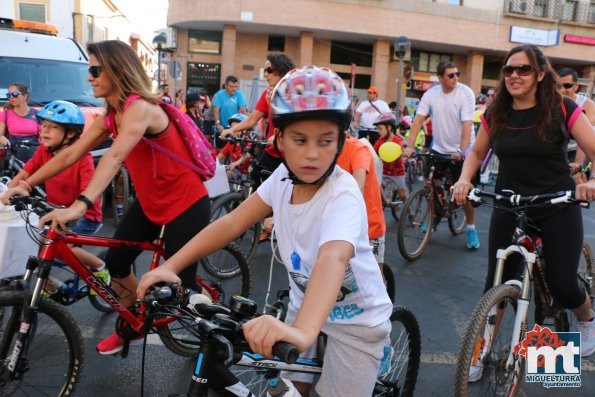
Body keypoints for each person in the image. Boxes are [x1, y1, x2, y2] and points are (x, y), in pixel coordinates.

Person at [137, 66, 393, 397]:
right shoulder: (282, 178)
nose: (312, 153)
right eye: (300, 140)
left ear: (341, 141)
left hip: (356, 321)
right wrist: (171, 265)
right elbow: (232, 223)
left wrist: (302, 332)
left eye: (326, 140)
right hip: (306, 307)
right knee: (285, 390)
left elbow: (334, 256)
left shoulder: (342, 194)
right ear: (280, 140)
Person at [0, 40, 211, 355]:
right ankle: (133, 326)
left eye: (96, 70)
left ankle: (212, 349)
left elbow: (113, 158)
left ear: (116, 70)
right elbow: (71, 153)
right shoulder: (112, 113)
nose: (90, 77)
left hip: (186, 203)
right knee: (117, 262)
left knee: (182, 290)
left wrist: (79, 206)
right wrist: (26, 184)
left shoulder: (140, 107)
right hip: (152, 204)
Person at [452, 45, 595, 380]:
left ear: (540, 74)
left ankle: (587, 322)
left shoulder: (562, 108)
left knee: (562, 283)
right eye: (508, 70)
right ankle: (482, 349)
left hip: (557, 203)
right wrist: (463, 179)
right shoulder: (497, 110)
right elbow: (476, 152)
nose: (514, 76)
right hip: (509, 202)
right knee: (496, 283)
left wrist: (591, 182)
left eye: (523, 69)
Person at [6, 100, 110, 295]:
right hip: (55, 211)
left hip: (84, 214)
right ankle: (51, 288)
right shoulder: (43, 151)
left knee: (64, 249)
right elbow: (27, 172)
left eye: (53, 127)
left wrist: (72, 211)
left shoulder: (82, 157)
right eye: (43, 125)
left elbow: (88, 190)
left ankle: (100, 268)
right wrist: (8, 192)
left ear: (70, 133)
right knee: (35, 245)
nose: (44, 131)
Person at [404, 60, 479, 249]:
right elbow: (418, 120)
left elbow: (467, 124)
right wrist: (409, 146)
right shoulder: (431, 94)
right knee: (430, 183)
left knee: (465, 191)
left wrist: (461, 151)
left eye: (457, 74)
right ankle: (435, 215)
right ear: (440, 78)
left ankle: (470, 228)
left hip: (462, 148)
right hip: (439, 147)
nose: (456, 78)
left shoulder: (465, 93)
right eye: (451, 75)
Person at [220, 54, 296, 183]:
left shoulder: (294, 94)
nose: (266, 74)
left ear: (281, 70)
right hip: (272, 150)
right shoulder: (267, 95)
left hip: (291, 154)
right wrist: (231, 130)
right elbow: (251, 120)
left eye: (269, 70)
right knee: (256, 178)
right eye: (265, 70)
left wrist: (282, 135)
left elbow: (297, 123)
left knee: (285, 190)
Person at [336, 129, 387, 277]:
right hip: (340, 226)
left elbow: (358, 187)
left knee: (375, 279)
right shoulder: (323, 152)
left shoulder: (358, 148)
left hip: (369, 226)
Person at [557, 67, 595, 174]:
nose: (562, 90)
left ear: (576, 86)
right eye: (558, 86)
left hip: (578, 150)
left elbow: (584, 138)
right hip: (558, 149)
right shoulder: (552, 102)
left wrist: (578, 163)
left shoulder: (587, 104)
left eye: (567, 86)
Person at [373, 113, 407, 207]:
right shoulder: (380, 141)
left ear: (389, 127)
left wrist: (404, 152)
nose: (378, 131)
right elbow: (373, 151)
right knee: (378, 193)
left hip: (397, 172)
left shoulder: (397, 141)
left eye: (380, 128)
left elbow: (401, 150)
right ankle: (380, 215)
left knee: (402, 195)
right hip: (384, 172)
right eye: (378, 129)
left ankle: (410, 214)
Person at [0, 82, 40, 162]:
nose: (11, 97)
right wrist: (2, 138)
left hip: (35, 156)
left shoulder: (37, 114)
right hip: (14, 157)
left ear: (25, 96)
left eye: (14, 94)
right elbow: (0, 135)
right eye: (8, 95)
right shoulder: (5, 114)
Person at [217, 113, 252, 187]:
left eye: (237, 128)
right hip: (235, 171)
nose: (233, 131)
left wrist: (236, 163)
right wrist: (212, 163)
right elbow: (221, 154)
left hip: (248, 174)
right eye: (232, 128)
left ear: (245, 130)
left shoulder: (249, 142)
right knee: (224, 178)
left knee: (246, 192)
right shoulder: (232, 142)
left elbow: (248, 154)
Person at [213, 75, 248, 148]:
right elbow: (216, 110)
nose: (234, 89)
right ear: (226, 86)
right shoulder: (220, 94)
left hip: (234, 129)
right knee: (220, 151)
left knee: (233, 150)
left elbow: (243, 110)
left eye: (235, 86)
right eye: (231, 86)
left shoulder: (239, 95)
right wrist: (218, 124)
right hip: (222, 128)